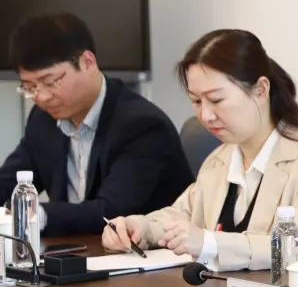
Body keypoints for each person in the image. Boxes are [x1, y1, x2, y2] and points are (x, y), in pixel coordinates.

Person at [101, 29, 298, 277]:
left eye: (216, 100)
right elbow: (182, 215)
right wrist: (138, 228)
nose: (205, 115)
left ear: (261, 90)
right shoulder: (220, 159)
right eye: (196, 101)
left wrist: (211, 243)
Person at [0, 13, 191, 237]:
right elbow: (10, 181)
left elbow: (111, 212)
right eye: (30, 87)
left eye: (50, 82)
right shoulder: (43, 119)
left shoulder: (142, 126)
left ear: (87, 62)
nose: (41, 97)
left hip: (144, 253)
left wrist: (37, 214)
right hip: (75, 251)